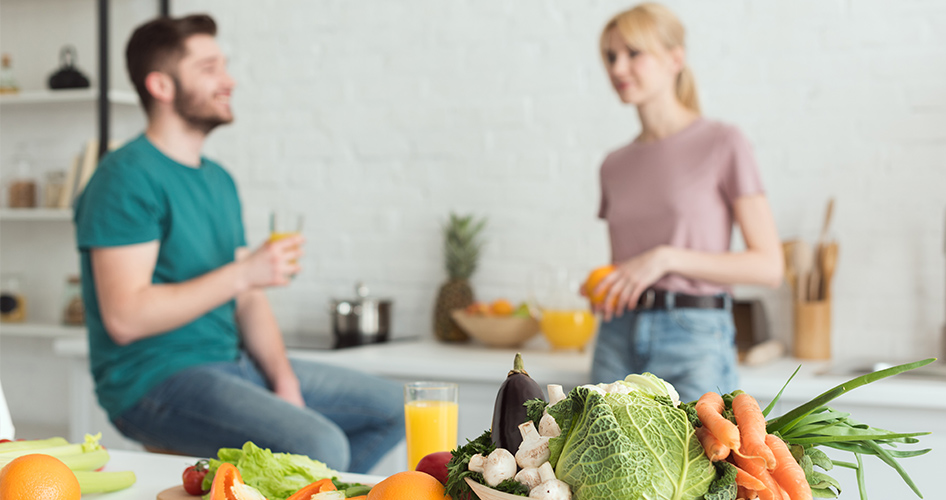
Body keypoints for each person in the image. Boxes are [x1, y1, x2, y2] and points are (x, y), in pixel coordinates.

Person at [74, 14, 404, 473]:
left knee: (395, 407)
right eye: (209, 68)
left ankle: (275, 487)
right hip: (153, 381)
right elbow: (125, 317)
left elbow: (246, 298)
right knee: (321, 444)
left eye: (224, 66)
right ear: (161, 86)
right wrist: (245, 271)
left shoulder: (218, 180)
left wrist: (284, 382)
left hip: (232, 363)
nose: (228, 80)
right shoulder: (125, 177)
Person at [587, 3, 783, 403]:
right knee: (593, 464)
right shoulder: (613, 165)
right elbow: (624, 268)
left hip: (693, 334)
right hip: (616, 333)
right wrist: (607, 286)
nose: (618, 68)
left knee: (694, 462)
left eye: (633, 53)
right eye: (611, 56)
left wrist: (665, 258)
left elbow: (769, 266)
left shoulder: (723, 143)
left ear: (675, 58)